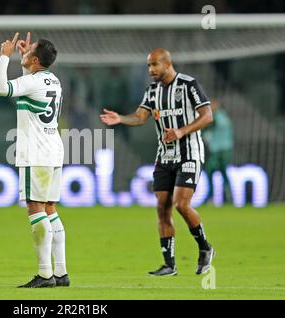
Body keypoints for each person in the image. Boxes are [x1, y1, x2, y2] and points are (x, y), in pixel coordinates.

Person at [100, 48, 215, 276]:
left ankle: (205, 247)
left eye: (154, 65)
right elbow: (140, 117)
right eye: (148, 66)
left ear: (166, 63)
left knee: (181, 204)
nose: (150, 70)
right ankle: (169, 265)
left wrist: (182, 131)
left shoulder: (188, 85)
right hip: (164, 156)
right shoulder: (152, 91)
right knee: (162, 208)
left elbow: (207, 115)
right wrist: (121, 118)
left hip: (188, 153)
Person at [0, 32, 69, 288]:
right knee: (49, 210)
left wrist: (5, 57)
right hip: (52, 151)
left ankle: (45, 275)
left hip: (35, 153)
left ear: (35, 59)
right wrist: (26, 62)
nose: (21, 51)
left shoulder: (34, 82)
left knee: (35, 210)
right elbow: (31, 87)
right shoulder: (53, 81)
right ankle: (61, 272)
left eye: (28, 51)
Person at [202, 99, 234, 203]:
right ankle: (229, 198)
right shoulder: (225, 117)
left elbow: (207, 129)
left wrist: (204, 136)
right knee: (224, 173)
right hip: (227, 149)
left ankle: (210, 196)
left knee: (209, 170)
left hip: (218, 150)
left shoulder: (214, 117)